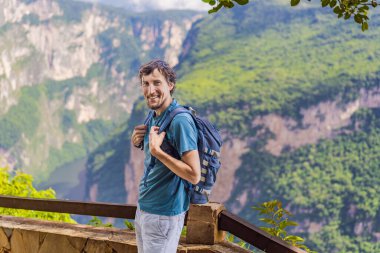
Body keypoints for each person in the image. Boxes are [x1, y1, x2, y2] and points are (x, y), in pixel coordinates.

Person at [131, 59, 201, 253]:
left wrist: (157, 152)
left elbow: (194, 175)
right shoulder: (154, 115)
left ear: (170, 85)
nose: (150, 90)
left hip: (163, 214)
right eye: (145, 83)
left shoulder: (180, 122)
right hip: (145, 207)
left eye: (156, 83)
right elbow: (155, 156)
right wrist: (138, 142)